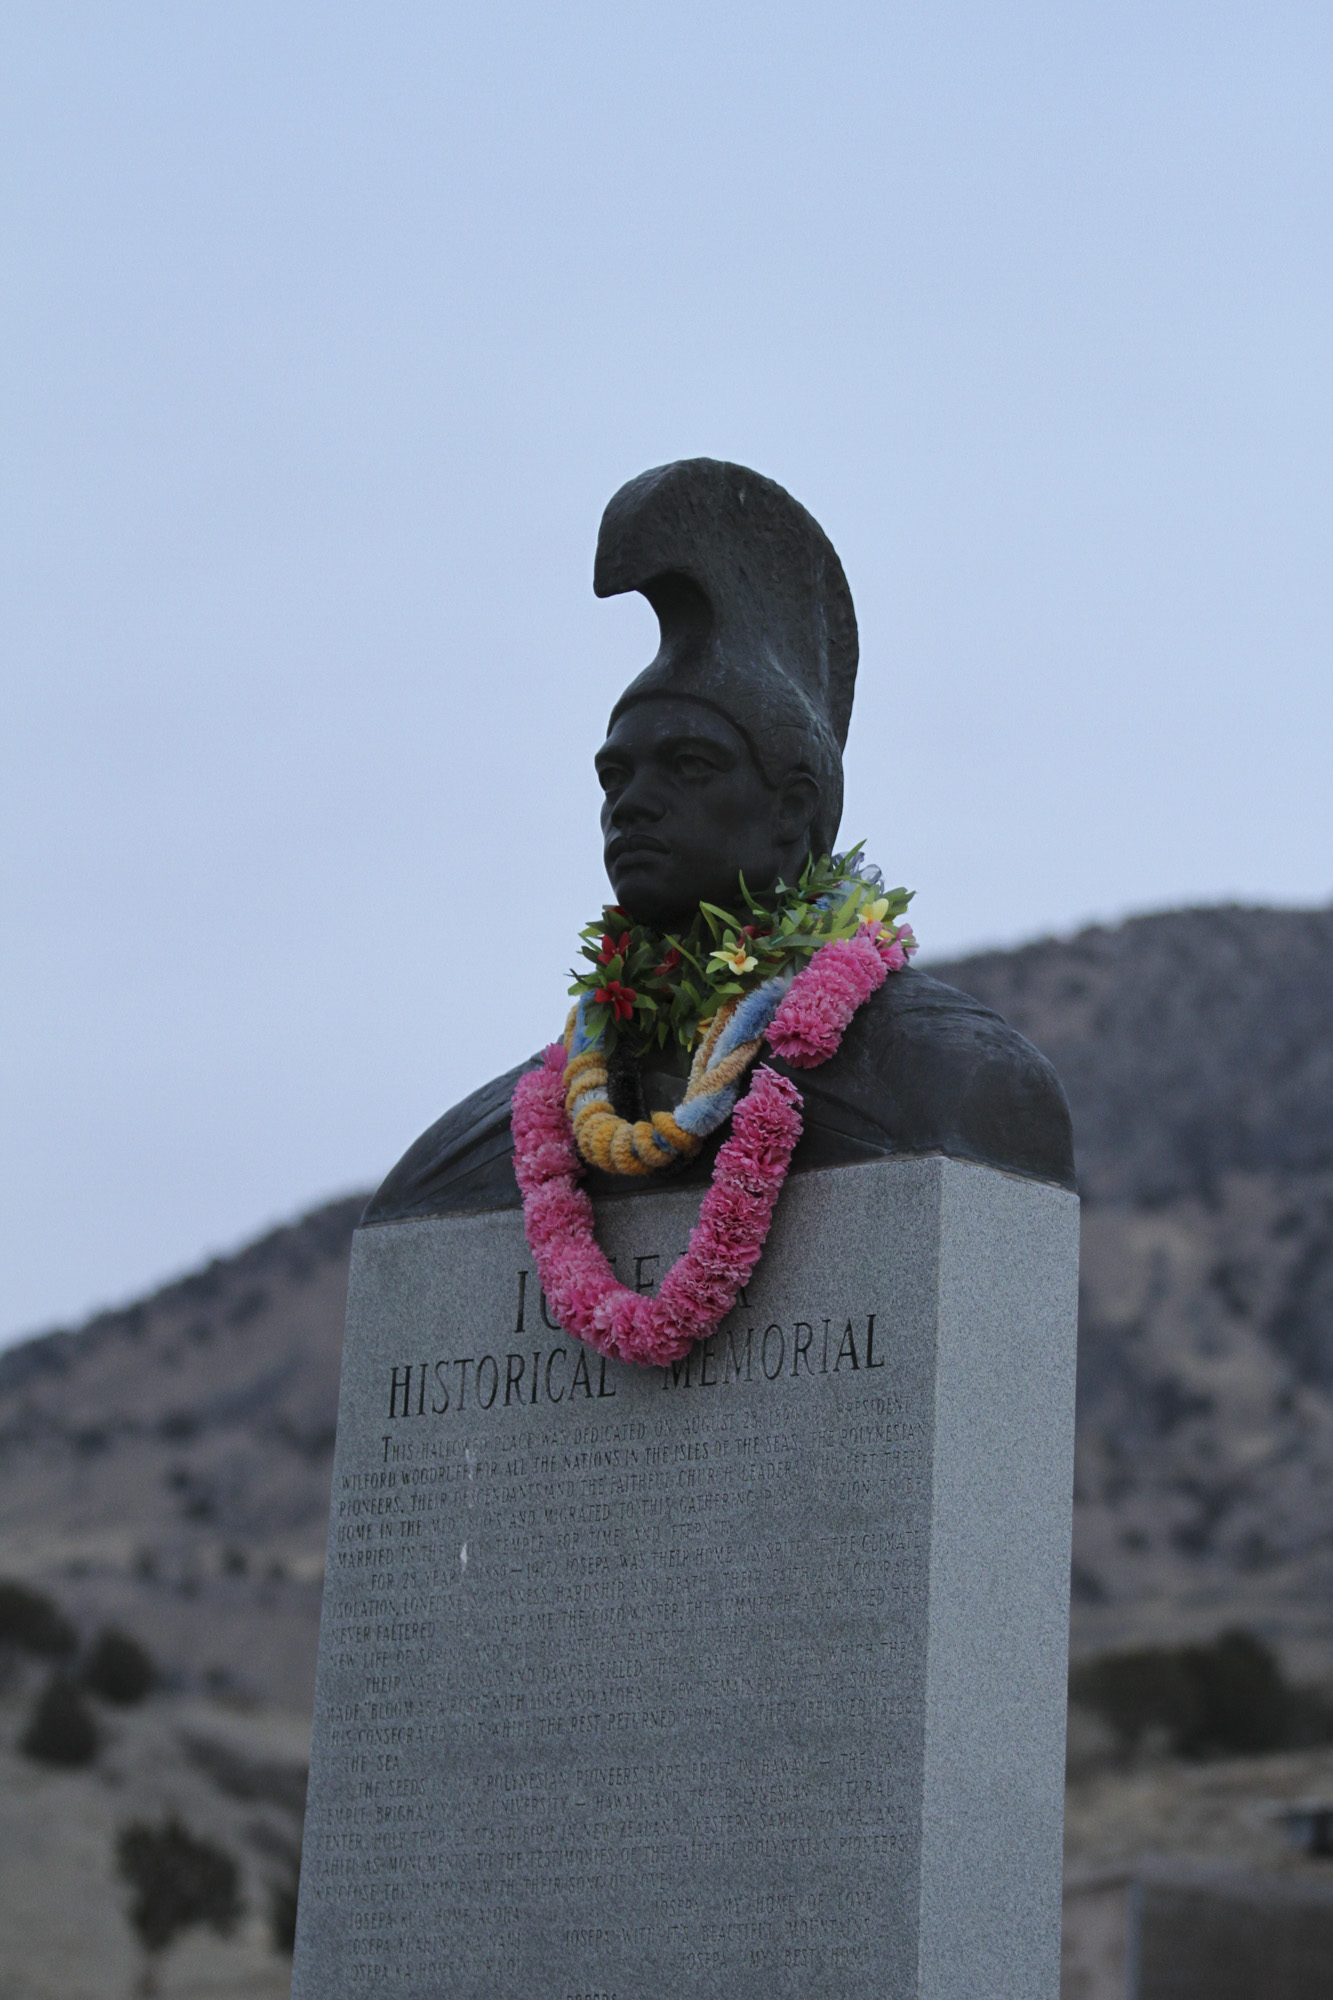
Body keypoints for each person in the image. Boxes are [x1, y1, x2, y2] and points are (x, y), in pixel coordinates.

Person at [365, 459, 1074, 1224]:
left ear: (790, 807)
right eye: (614, 777)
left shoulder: (949, 1080)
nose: (632, 805)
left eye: (688, 766)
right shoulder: (468, 1160)